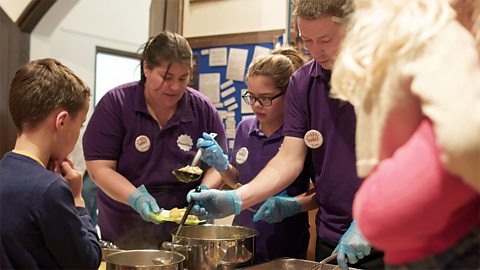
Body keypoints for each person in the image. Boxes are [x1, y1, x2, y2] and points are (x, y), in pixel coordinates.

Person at [188, 0, 384, 269]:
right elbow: (289, 159)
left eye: (325, 39)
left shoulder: (386, 75)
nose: (316, 50)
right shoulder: (303, 83)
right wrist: (237, 198)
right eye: (307, 40)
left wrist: (370, 219)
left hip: (393, 233)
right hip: (333, 235)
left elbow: (411, 160)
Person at [331, 0, 480, 268]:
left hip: (419, 241)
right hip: (442, 239)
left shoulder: (396, 37)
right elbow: (468, 138)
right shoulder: (440, 32)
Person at [83, 31, 227, 249]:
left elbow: (218, 167)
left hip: (187, 233)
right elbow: (99, 169)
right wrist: (134, 197)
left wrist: (204, 192)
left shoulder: (202, 108)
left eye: (183, 78)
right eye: (167, 78)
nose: (176, 87)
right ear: (146, 68)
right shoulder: (116, 104)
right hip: (125, 229)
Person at [197, 47, 312, 263]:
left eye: (266, 98)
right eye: (252, 97)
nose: (257, 105)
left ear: (290, 95)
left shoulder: (301, 138)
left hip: (284, 243)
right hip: (241, 239)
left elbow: (322, 194)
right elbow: (237, 182)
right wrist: (222, 166)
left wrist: (291, 205)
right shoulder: (244, 128)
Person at [0, 58, 101, 269]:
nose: (79, 133)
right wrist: (77, 198)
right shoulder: (50, 190)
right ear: (62, 121)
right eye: (80, 124)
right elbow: (87, 261)